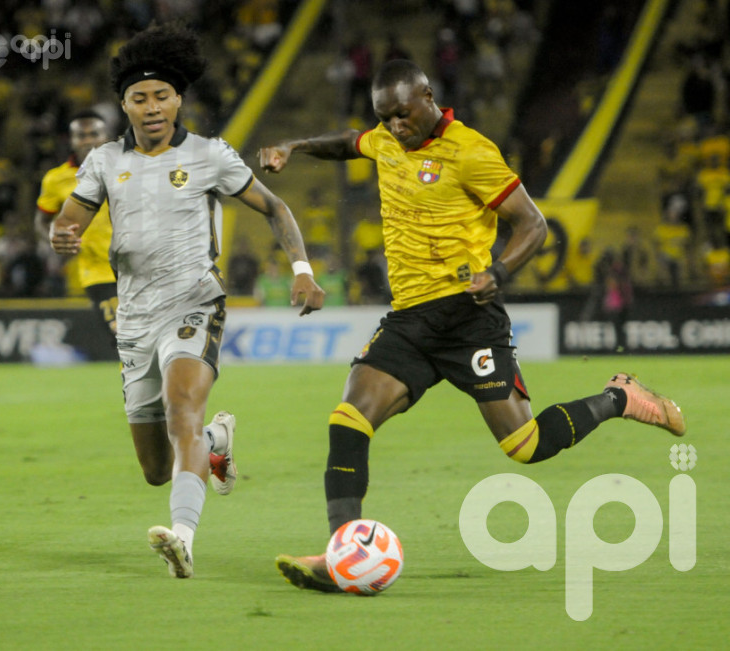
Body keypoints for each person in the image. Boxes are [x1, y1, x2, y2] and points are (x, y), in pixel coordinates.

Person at [259, 59, 686, 593]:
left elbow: (533, 224)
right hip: (410, 320)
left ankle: (619, 398)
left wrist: (499, 273)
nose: (394, 126)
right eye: (385, 117)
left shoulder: (472, 152)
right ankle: (341, 555)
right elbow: (350, 142)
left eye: (402, 114)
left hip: (469, 319)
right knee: (348, 420)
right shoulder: (386, 141)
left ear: (428, 97)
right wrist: (294, 146)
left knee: (525, 445)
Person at [50, 23, 325, 579]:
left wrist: (302, 270)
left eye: (162, 95)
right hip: (134, 316)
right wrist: (63, 233)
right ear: (124, 105)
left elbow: (275, 207)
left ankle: (183, 539)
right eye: (139, 97)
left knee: (182, 411)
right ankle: (216, 442)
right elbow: (69, 218)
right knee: (156, 467)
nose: (151, 107)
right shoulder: (103, 161)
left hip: (194, 302)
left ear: (178, 99)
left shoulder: (209, 155)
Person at [35, 110, 117, 337]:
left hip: (141, 267)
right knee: (123, 335)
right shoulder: (56, 179)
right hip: (98, 271)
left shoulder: (129, 169)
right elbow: (41, 221)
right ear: (71, 140)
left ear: (107, 137)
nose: (88, 141)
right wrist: (55, 239)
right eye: (81, 135)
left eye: (94, 134)